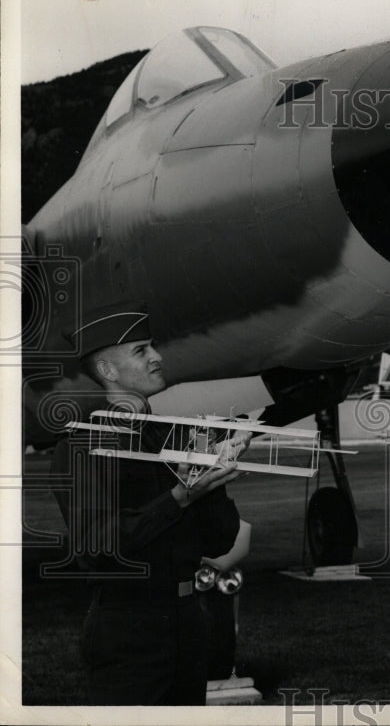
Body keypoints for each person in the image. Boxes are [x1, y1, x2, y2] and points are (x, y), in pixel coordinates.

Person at [50, 301, 246, 705]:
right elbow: (98, 546)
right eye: (141, 351)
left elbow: (219, 542)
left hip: (191, 624)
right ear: (108, 371)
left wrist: (213, 480)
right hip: (128, 629)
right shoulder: (84, 445)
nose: (157, 357)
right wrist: (179, 497)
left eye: (153, 346)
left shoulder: (177, 439)